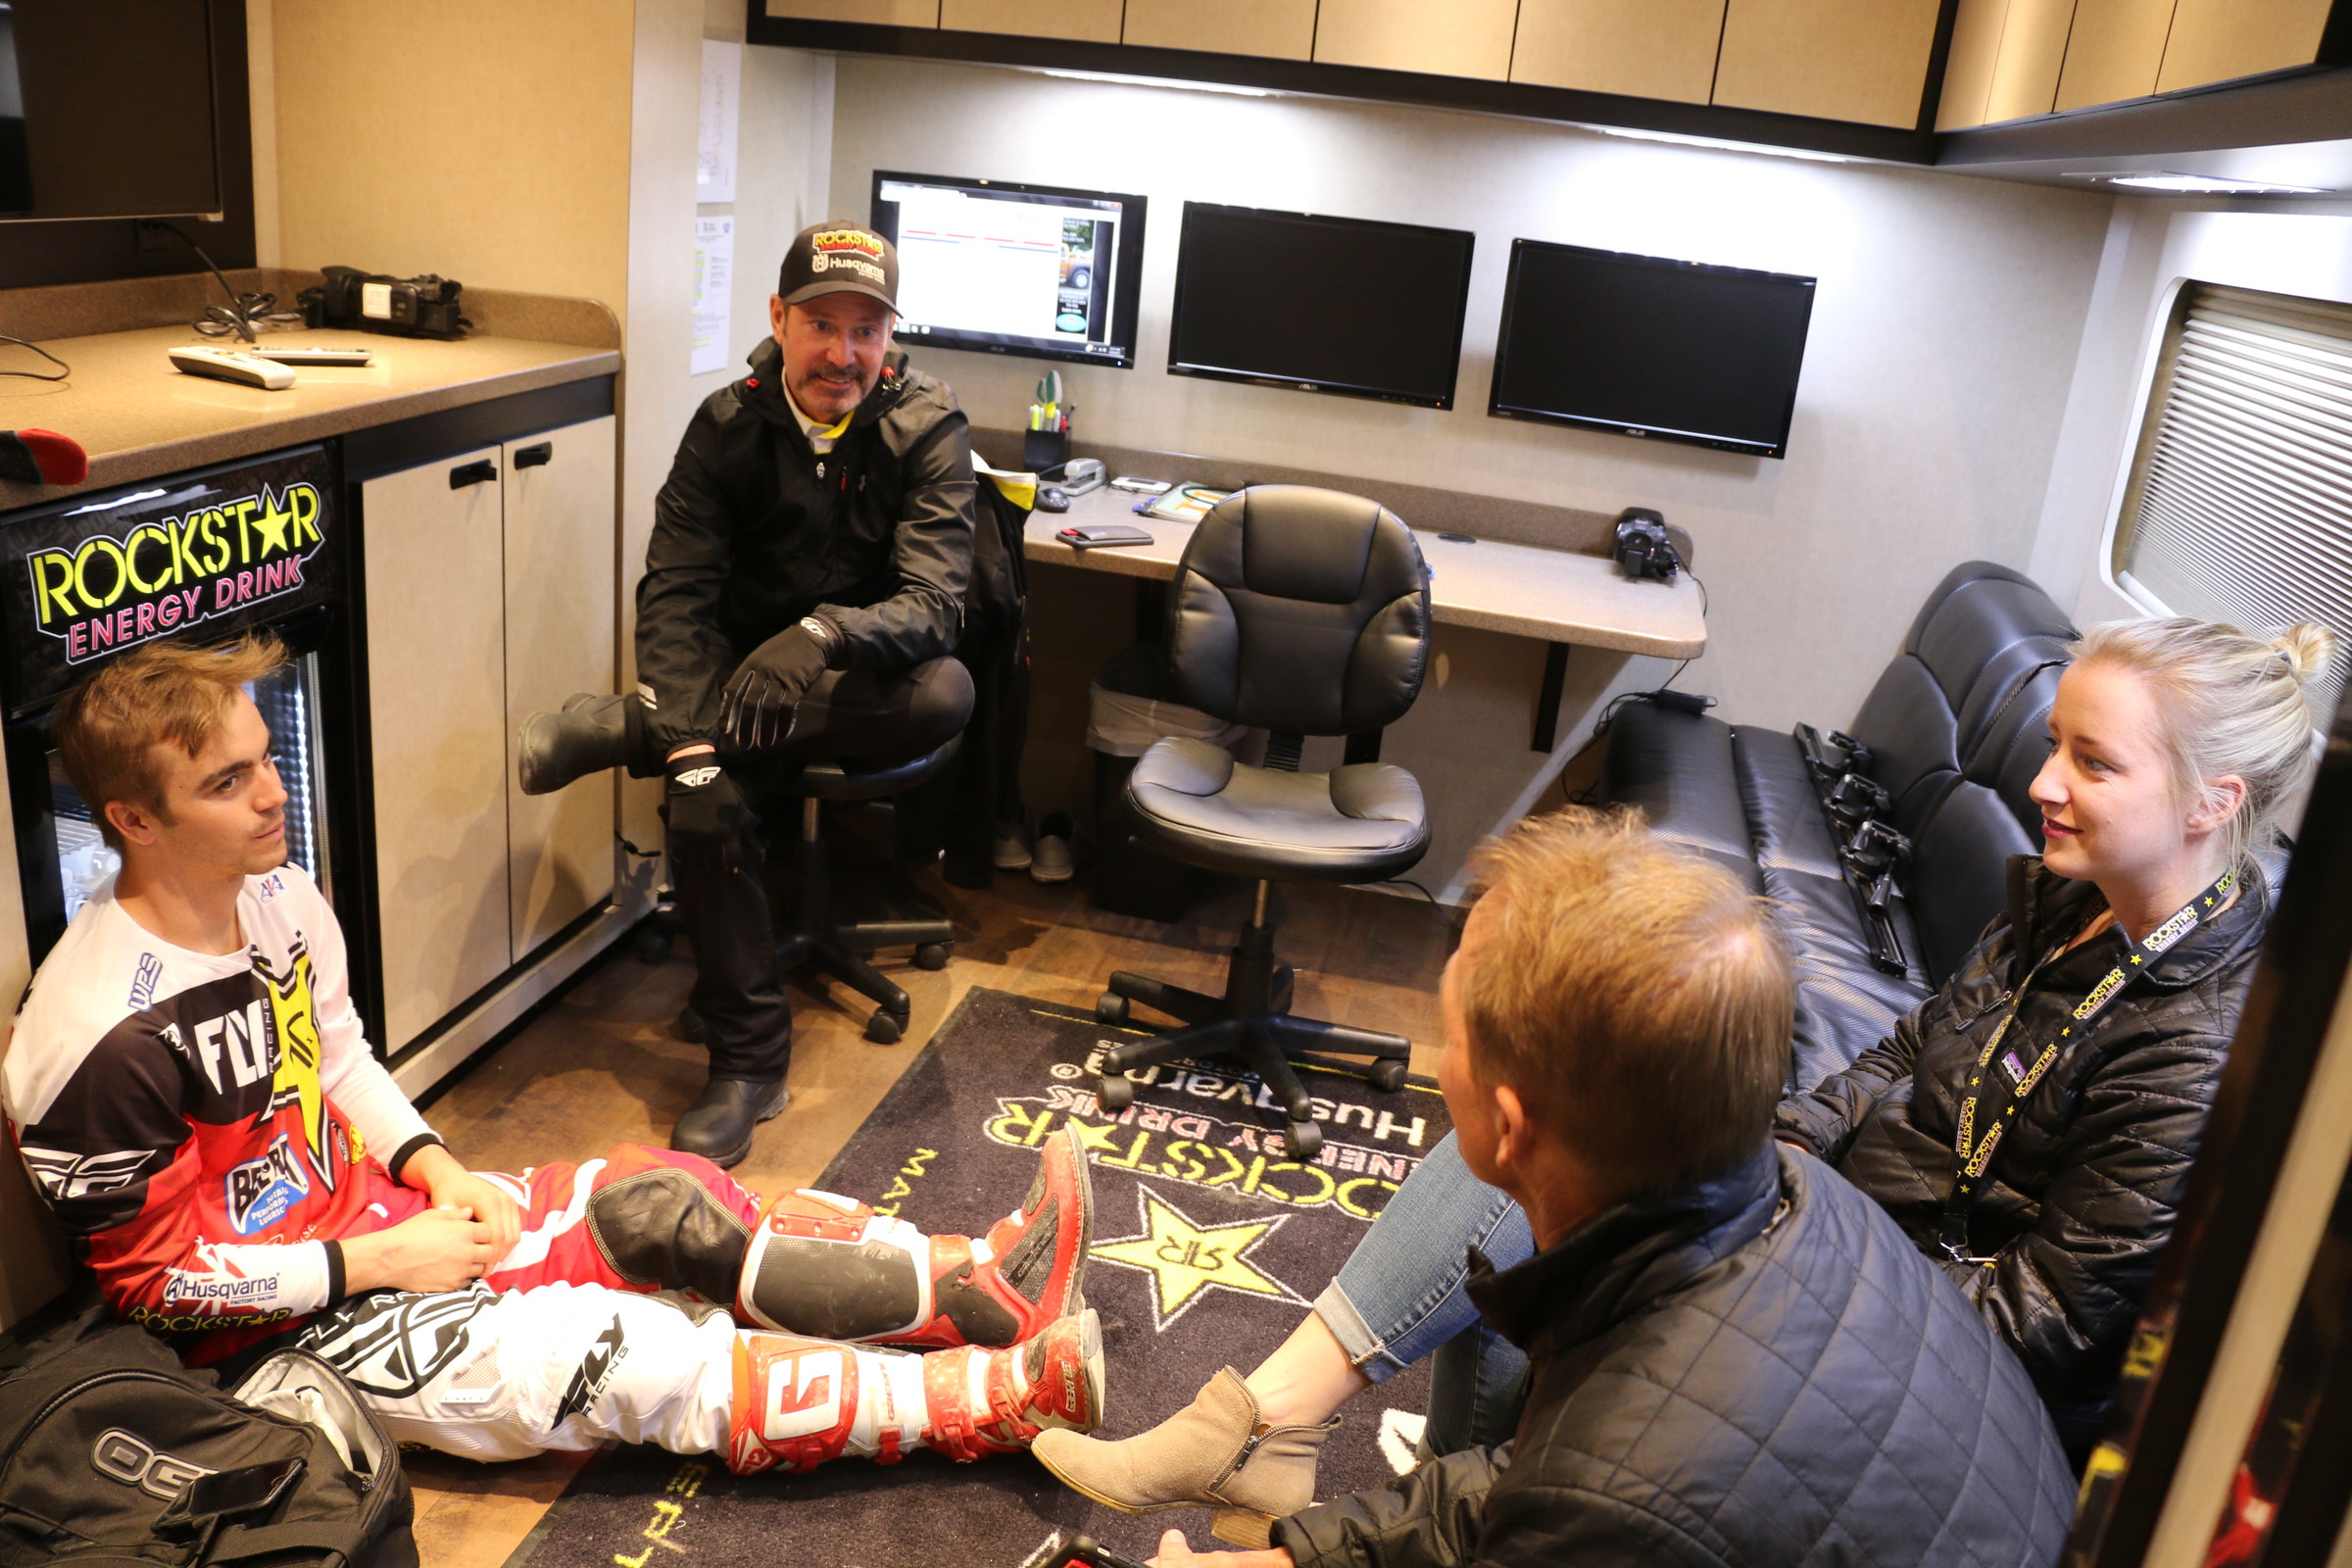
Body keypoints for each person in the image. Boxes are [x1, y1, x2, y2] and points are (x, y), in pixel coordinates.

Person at [1041, 614, 2333, 1534]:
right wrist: (1783, 1147)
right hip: (1835, 1236)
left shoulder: (2199, 1043)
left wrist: (1779, 1237)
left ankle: (1293, 1442)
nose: (2044, 783)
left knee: (1561, 1178)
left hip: (1893, 1337)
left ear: (2215, 800)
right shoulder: (2065, 907)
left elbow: (2041, 1329)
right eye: (2055, 743)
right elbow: (1901, 1057)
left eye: (2093, 764)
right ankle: (1314, 1444)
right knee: (1528, 1165)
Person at [2, 636, 1099, 1474]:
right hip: (264, 1342)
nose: (274, 791)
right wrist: (386, 1263)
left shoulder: (278, 893)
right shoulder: (94, 1032)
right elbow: (159, 1287)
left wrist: (435, 1168)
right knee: (632, 1351)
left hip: (372, 1223)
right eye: (225, 783)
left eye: (262, 759)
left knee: (661, 1195)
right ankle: (992, 1403)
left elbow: (339, 1059)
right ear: (133, 821)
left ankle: (975, 1288)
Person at [1054, 808, 2075, 1568]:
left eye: (1446, 1036)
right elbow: (1523, 1489)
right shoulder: (1801, 1202)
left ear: (1505, 1125)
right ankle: (1259, 1437)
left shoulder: (1616, 1490)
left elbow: (1583, 1494)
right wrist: (1296, 1559)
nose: (1433, 1058)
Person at [515, 219, 978, 1166]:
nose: (843, 354)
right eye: (821, 324)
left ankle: (624, 728)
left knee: (947, 694)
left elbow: (933, 602)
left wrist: (822, 633)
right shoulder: (726, 426)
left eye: (867, 330)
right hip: (733, 676)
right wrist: (691, 742)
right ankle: (747, 1064)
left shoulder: (927, 427)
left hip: (858, 679)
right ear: (778, 317)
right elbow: (675, 592)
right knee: (702, 804)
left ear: (891, 337)